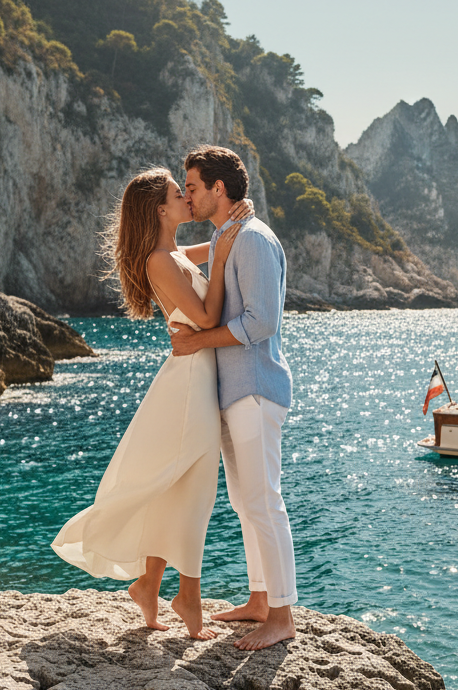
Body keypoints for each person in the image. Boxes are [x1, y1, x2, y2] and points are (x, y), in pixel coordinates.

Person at [50, 167, 251, 640]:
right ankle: (188, 598)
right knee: (196, 488)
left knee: (177, 487)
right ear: (161, 209)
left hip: (196, 378)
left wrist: (237, 220)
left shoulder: (175, 254)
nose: (188, 199)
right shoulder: (160, 261)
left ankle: (150, 584)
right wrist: (220, 261)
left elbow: (221, 245)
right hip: (187, 386)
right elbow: (205, 316)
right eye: (179, 194)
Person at [169, 145, 298, 651]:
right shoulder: (229, 234)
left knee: (265, 502)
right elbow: (176, 255)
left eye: (194, 188)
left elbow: (262, 321)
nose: (188, 196)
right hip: (235, 392)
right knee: (245, 504)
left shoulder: (253, 239)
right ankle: (260, 600)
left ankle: (283, 616)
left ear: (218, 189)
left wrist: (199, 341)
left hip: (256, 390)